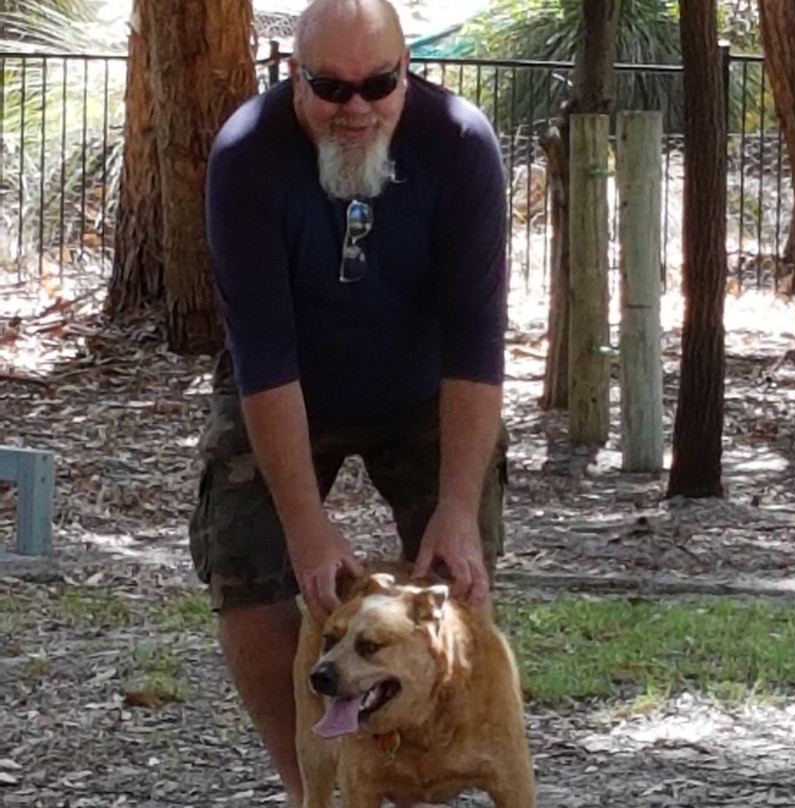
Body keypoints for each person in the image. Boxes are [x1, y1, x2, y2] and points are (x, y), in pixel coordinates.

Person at [187, 0, 510, 802]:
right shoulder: (247, 156)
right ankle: (311, 784)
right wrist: (305, 526)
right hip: (291, 387)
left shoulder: (460, 144)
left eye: (379, 84)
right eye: (330, 87)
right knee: (247, 565)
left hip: (424, 386)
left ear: (409, 73)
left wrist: (460, 506)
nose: (356, 109)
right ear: (293, 76)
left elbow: (477, 340)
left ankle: (451, 757)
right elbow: (262, 357)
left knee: (464, 572)